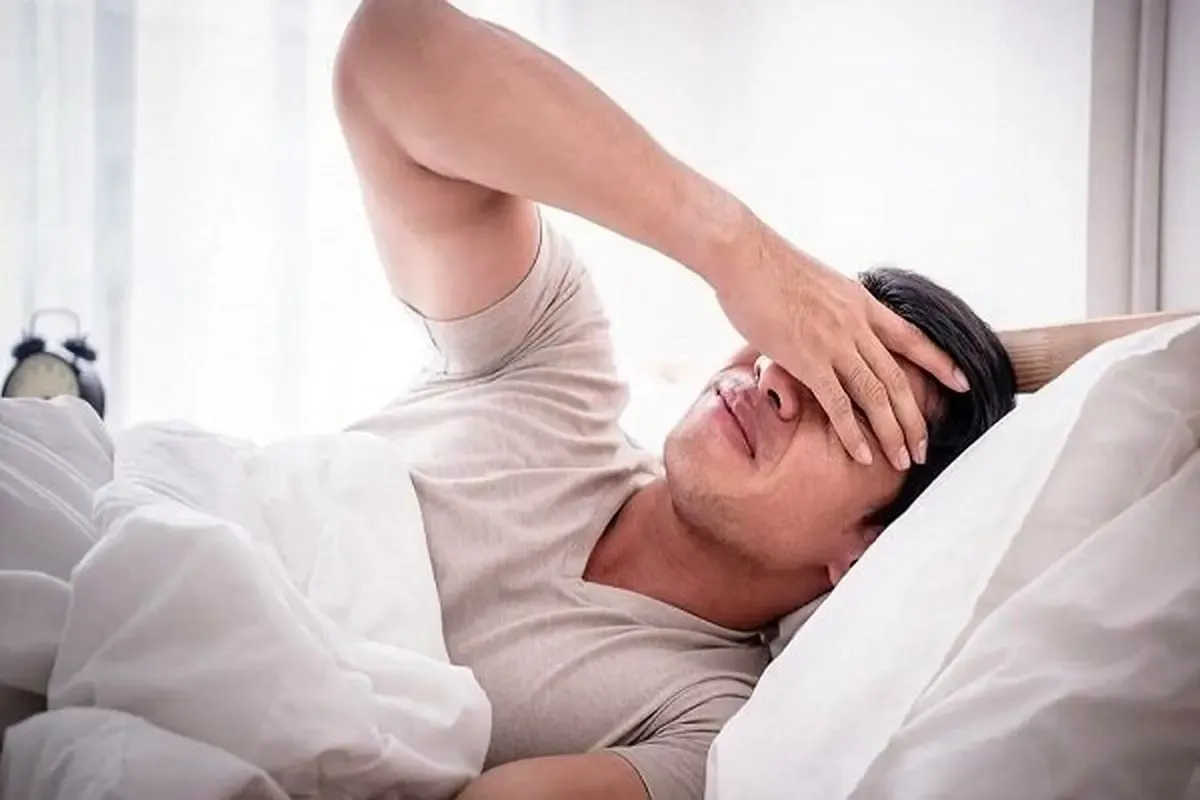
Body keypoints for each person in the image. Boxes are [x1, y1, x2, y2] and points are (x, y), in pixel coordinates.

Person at [333, 2, 1016, 798]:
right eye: (804, 334)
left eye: (848, 398)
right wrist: (734, 246)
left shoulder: (704, 736)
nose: (777, 376)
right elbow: (389, 51)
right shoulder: (546, 364)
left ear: (866, 551)